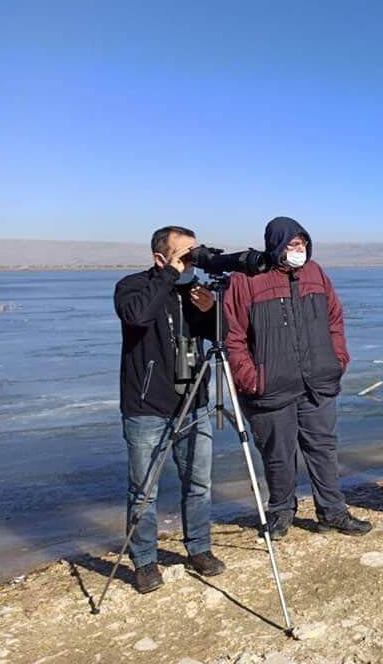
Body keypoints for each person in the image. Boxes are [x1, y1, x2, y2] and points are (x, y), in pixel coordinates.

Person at [223, 217, 371, 538]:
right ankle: (281, 511)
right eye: (291, 244)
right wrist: (251, 379)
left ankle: (332, 511)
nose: (298, 249)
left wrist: (337, 360)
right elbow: (232, 336)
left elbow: (335, 319)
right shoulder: (247, 280)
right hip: (271, 386)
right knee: (278, 452)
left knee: (323, 449)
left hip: (317, 381)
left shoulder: (316, 274)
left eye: (302, 243)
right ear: (275, 245)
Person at [114, 225, 226, 595]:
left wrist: (212, 312)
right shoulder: (132, 287)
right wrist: (168, 277)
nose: (191, 261)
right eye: (184, 255)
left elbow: (221, 337)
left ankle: (199, 549)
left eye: (195, 253)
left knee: (198, 485)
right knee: (143, 491)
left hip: (194, 403)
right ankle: (145, 561)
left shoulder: (196, 293)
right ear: (160, 258)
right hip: (147, 408)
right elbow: (137, 316)